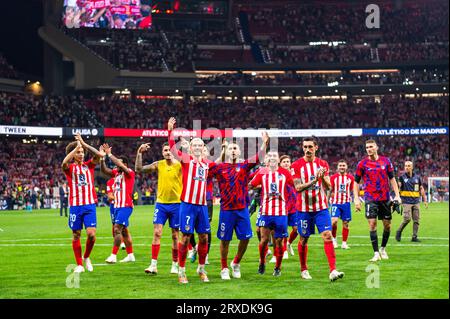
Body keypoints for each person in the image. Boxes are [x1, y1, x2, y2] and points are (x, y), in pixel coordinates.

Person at [209, 133, 269, 280]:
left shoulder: (243, 166)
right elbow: (207, 169)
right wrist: (222, 151)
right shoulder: (220, 167)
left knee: (246, 238)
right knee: (225, 240)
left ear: (240, 152)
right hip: (226, 210)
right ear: (227, 151)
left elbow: (258, 157)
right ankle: (224, 268)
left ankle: (236, 262)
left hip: (242, 209)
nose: (233, 151)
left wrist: (264, 144)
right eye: (231, 148)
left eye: (235, 148)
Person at [167, 117, 217, 284]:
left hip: (202, 206)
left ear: (203, 149)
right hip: (187, 205)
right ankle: (181, 271)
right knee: (185, 237)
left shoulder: (207, 164)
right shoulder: (186, 160)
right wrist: (170, 131)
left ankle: (201, 269)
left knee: (204, 238)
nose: (197, 147)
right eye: (194, 144)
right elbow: (173, 150)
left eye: (199, 145)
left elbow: (221, 167)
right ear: (190, 148)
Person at [292, 137, 344, 282]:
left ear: (316, 147)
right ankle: (303, 269)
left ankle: (333, 270)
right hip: (303, 209)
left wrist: (323, 178)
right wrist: (314, 181)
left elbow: (329, 187)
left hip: (321, 208)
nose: (307, 150)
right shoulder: (296, 166)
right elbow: (297, 187)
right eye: (305, 147)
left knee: (327, 235)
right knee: (303, 239)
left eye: (310, 147)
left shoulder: (323, 164)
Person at [136, 142, 182, 275]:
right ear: (162, 153)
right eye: (165, 150)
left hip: (176, 204)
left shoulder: (180, 165)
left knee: (175, 235)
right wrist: (139, 152)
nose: (168, 152)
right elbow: (139, 169)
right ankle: (153, 265)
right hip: (161, 204)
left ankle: (175, 264)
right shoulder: (158, 164)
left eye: (169, 150)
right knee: (157, 233)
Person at [62, 133, 104, 273]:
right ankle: (79, 264)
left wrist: (83, 144)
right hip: (75, 206)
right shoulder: (70, 169)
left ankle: (86, 257)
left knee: (91, 234)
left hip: (89, 205)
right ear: (73, 154)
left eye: (82, 152)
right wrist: (75, 148)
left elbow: (99, 155)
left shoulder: (89, 166)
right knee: (76, 235)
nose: (81, 154)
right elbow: (64, 163)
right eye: (78, 152)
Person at [354, 139, 401, 262]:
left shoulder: (386, 161)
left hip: (385, 198)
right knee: (372, 223)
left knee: (387, 225)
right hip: (370, 198)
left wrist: (397, 196)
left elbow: (392, 179)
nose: (369, 149)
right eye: (367, 147)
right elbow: (356, 182)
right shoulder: (362, 164)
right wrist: (356, 199)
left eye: (371, 146)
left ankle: (383, 249)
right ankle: (375, 253)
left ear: (376, 147)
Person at [250, 150, 292, 277]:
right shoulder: (262, 173)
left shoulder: (285, 173)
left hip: (281, 212)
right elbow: (251, 185)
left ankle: (277, 267)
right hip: (266, 212)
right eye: (270, 156)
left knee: (279, 241)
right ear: (267, 160)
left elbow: (295, 187)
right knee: (263, 240)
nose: (272, 158)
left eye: (275, 156)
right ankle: (262, 262)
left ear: (278, 160)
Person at [100, 143, 136, 264]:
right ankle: (130, 255)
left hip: (125, 206)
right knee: (124, 231)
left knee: (117, 229)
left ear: (124, 164)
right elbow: (104, 170)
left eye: (119, 163)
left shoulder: (129, 173)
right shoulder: (116, 174)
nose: (117, 165)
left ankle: (113, 255)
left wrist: (110, 154)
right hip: (116, 206)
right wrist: (102, 158)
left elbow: (119, 164)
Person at [395, 161, 428, 242]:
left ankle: (414, 237)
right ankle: (399, 231)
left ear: (412, 167)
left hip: (416, 201)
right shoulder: (402, 177)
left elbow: (421, 189)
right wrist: (396, 198)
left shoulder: (417, 177)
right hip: (406, 202)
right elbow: (398, 188)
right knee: (407, 219)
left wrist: (425, 200)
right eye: (405, 166)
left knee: (416, 220)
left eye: (409, 166)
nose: (407, 167)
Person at [329, 160, 355, 250]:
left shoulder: (351, 178)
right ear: (338, 167)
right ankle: (334, 240)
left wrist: (354, 200)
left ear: (346, 167)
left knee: (345, 223)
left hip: (346, 203)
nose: (342, 167)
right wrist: (327, 200)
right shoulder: (333, 178)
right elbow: (330, 189)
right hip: (336, 203)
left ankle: (344, 243)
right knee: (334, 222)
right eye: (340, 165)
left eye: (343, 165)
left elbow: (352, 189)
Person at [279, 155, 298, 258]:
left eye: (288, 161)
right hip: (283, 205)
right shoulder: (278, 174)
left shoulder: (295, 174)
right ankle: (284, 251)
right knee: (284, 229)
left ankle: (289, 243)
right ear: (280, 164)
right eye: (284, 162)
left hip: (294, 206)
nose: (286, 163)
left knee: (296, 229)